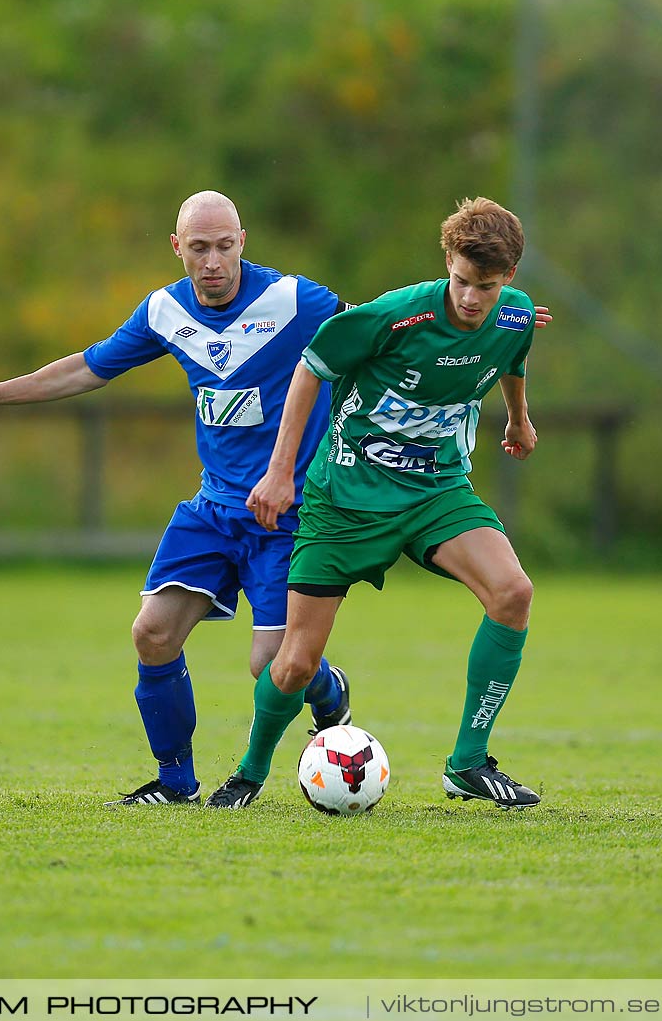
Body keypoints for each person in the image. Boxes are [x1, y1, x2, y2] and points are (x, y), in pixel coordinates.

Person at [0, 192, 353, 806]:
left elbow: (373, 330)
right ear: (177, 249)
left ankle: (328, 691)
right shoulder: (164, 311)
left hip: (287, 515)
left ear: (243, 242)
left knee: (270, 664)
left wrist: (470, 330)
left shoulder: (294, 300)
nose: (213, 261)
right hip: (213, 509)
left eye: (224, 246)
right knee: (152, 633)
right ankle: (175, 783)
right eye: (199, 248)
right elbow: (87, 367)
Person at [205, 196, 542, 810]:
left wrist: (519, 420)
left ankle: (468, 763)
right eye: (461, 281)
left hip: (437, 490)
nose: (470, 299)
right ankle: (248, 775)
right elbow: (311, 369)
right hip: (347, 502)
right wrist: (282, 474)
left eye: (486, 287)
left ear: (509, 279)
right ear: (448, 261)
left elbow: (512, 354)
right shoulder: (395, 317)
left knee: (513, 592)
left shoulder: (515, 316)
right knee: (295, 666)